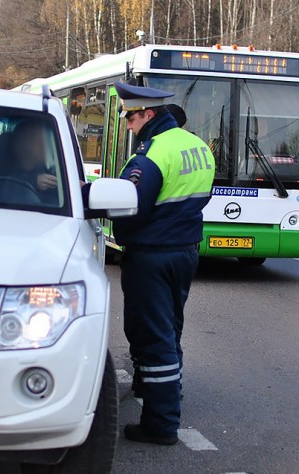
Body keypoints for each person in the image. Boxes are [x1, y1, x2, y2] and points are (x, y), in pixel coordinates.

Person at [92, 82, 215, 445]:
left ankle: (160, 424)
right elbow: (200, 198)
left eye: (130, 117)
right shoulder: (197, 146)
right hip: (185, 251)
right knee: (169, 328)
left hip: (151, 256)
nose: (128, 125)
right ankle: (165, 395)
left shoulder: (152, 154)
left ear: (147, 114)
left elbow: (131, 211)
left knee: (152, 337)